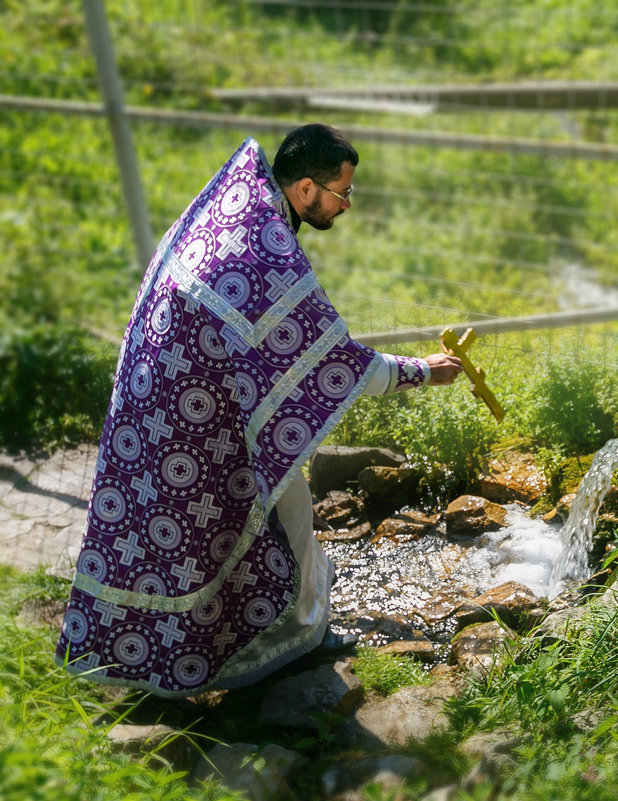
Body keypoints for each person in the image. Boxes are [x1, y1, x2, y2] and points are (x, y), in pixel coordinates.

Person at [55, 124, 462, 697]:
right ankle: (285, 643)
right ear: (303, 190)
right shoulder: (263, 256)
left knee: (238, 520)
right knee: (250, 516)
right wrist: (421, 372)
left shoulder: (242, 201)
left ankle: (257, 631)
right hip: (190, 421)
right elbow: (332, 363)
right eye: (341, 194)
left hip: (157, 394)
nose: (346, 206)